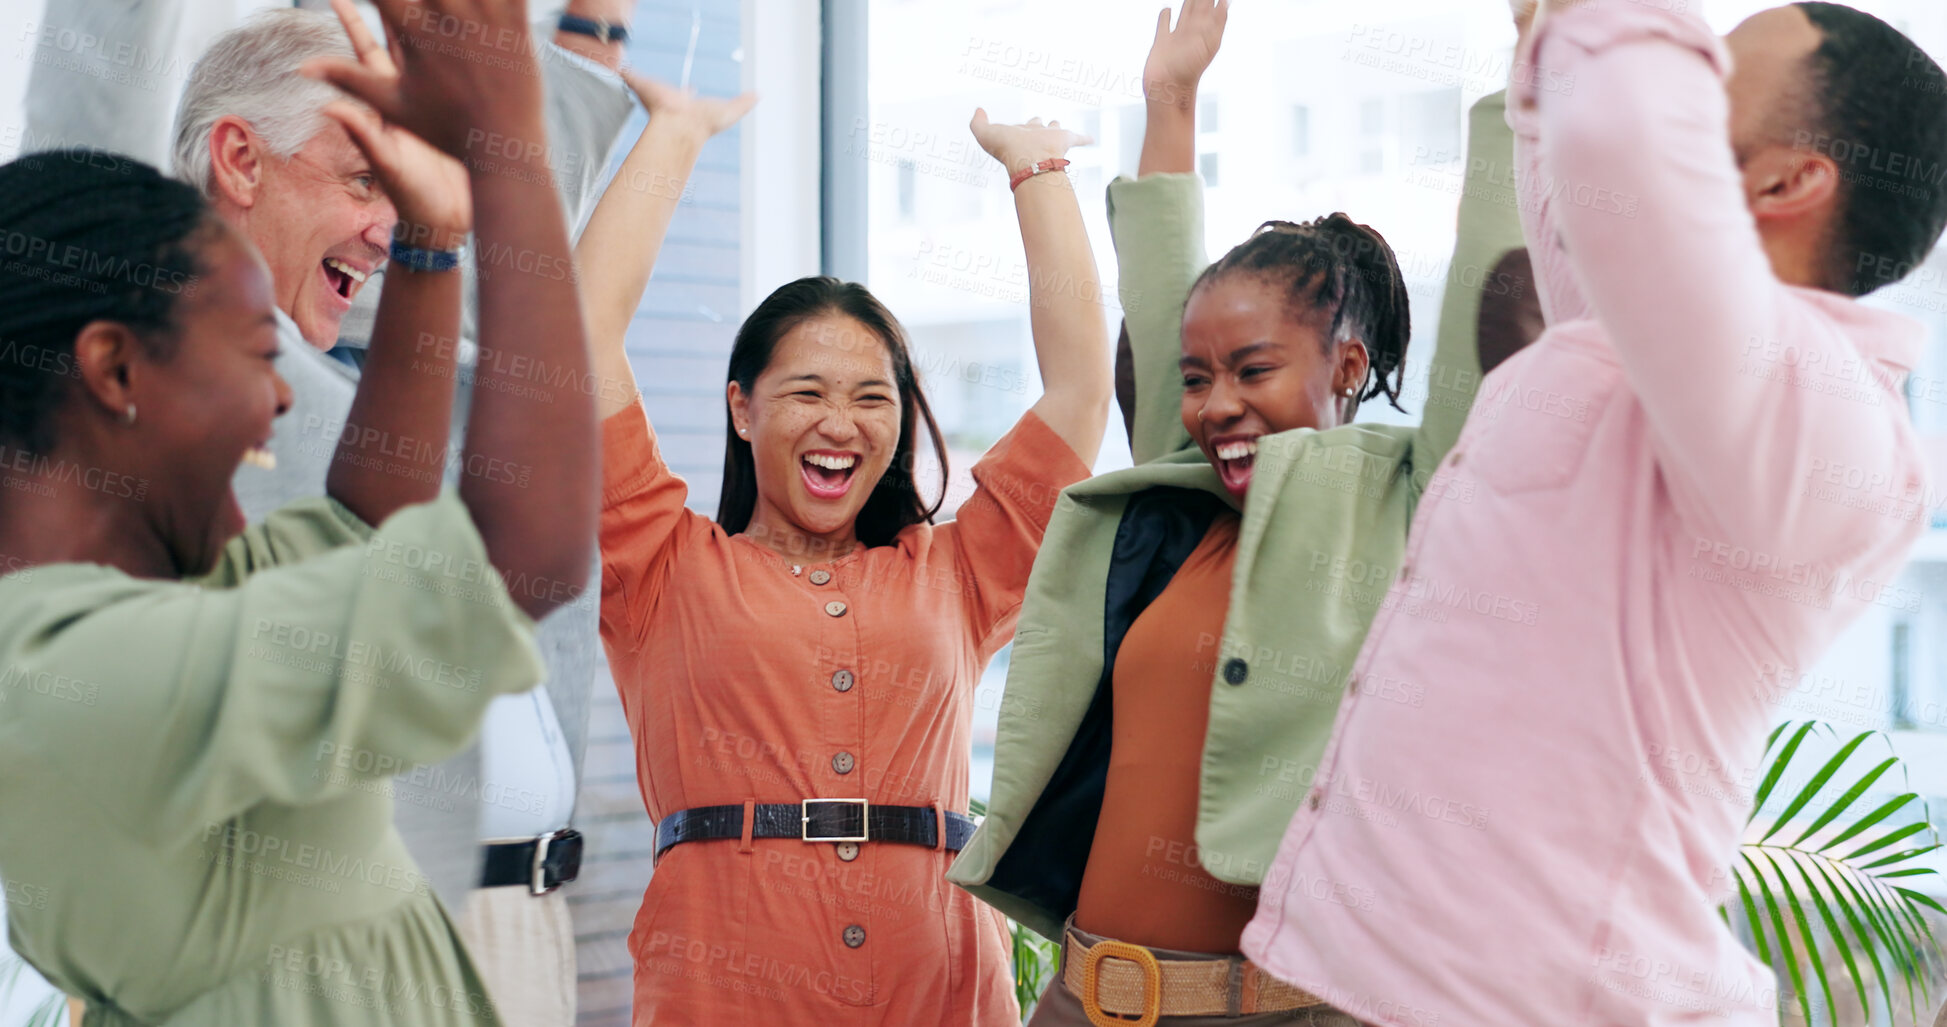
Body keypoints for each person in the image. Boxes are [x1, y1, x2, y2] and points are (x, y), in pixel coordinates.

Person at [1242, 2, 1947, 1024]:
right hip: (1369, 986)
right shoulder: (1653, 367)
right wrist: (1549, 39)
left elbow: (1618, 146)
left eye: (1707, 74)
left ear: (1790, 179)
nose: (1675, 78)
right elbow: (1590, 206)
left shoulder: (1827, 417)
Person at [0, 0, 597, 1020]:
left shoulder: (132, 611)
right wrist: (510, 152)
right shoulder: (91, 673)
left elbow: (368, 522)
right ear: (112, 367)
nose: (283, 397)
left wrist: (433, 246)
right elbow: (519, 551)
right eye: (252, 353)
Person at [946, 2, 1541, 1024]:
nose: (1216, 403)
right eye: (1198, 377)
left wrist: (1535, 69)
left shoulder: (1415, 503)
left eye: (1254, 369)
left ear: (1347, 365)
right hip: (1086, 1000)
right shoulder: (1180, 508)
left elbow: (1495, 333)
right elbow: (1160, 303)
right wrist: (1169, 100)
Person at [584, 77, 1112, 1019]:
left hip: (940, 985)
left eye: (874, 397)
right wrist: (673, 135)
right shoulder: (660, 564)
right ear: (742, 408)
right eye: (807, 392)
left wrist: (1038, 170)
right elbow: (580, 338)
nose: (842, 423)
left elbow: (1078, 389)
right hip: (723, 988)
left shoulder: (956, 571)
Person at [165, 4, 636, 1020]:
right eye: (362, 177)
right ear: (240, 161)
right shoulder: (198, 397)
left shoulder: (348, 373)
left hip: (502, 924)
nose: (386, 224)